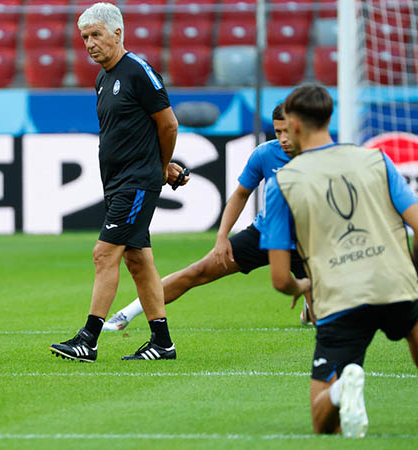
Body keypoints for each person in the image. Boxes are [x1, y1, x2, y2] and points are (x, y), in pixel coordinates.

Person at [261, 84, 418, 437]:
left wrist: (303, 285)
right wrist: (412, 270)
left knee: (322, 425)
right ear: (328, 118)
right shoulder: (375, 159)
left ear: (295, 125)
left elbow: (279, 279)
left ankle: (339, 389)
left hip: (339, 297)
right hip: (396, 284)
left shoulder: (283, 182)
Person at [50, 2, 188, 362]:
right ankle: (163, 342)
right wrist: (162, 165)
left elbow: (168, 124)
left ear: (118, 33)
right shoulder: (103, 78)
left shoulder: (139, 72)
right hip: (120, 183)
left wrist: (159, 167)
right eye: (84, 37)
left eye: (96, 34)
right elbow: (135, 131)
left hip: (136, 183)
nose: (90, 43)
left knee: (103, 254)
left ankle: (89, 338)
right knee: (138, 261)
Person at [102, 104, 313, 332]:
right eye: (277, 131)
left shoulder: (321, 158)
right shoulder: (265, 154)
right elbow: (240, 195)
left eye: (287, 132)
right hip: (265, 234)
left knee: (327, 322)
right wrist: (222, 237)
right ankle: (125, 314)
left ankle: (311, 305)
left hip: (309, 244)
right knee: (198, 272)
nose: (282, 138)